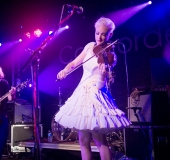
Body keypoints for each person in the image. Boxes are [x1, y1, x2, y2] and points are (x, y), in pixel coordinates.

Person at [54, 17, 131, 160]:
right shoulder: (89, 46)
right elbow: (74, 63)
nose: (99, 37)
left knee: (99, 140)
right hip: (81, 92)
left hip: (96, 94)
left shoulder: (110, 55)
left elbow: (102, 85)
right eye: (97, 33)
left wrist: (102, 75)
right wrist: (65, 70)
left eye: (103, 34)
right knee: (83, 140)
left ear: (110, 35)